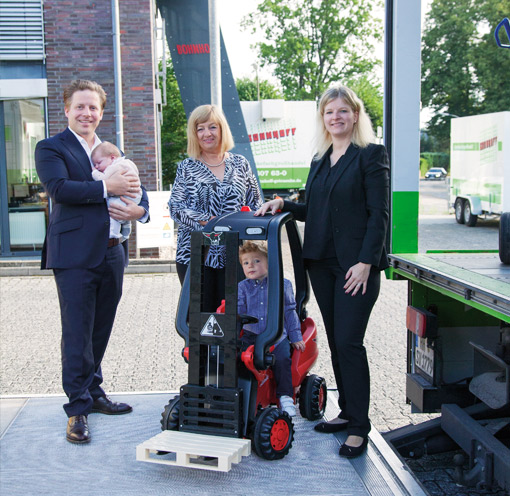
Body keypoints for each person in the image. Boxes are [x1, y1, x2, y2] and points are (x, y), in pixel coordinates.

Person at [256, 84, 389, 458]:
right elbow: (311, 209)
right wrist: (284, 203)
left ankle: (360, 428)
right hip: (322, 265)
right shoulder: (320, 159)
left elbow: (379, 214)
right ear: (323, 119)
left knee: (349, 343)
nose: (336, 117)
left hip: (355, 268)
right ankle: (347, 413)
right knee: (335, 342)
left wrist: (366, 262)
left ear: (355, 115)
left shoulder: (371, 155)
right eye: (330, 112)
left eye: (343, 111)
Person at [35, 79, 150, 445]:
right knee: (77, 332)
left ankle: (94, 393)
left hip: (113, 250)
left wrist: (141, 210)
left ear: (101, 112)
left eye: (93, 108)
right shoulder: (51, 148)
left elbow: (137, 187)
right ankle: (77, 408)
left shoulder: (111, 151)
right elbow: (60, 190)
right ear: (66, 109)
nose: (87, 113)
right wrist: (106, 188)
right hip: (73, 256)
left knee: (100, 328)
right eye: (80, 106)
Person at [169, 104, 263, 310]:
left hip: (237, 254)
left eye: (212, 127)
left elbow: (256, 204)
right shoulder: (187, 167)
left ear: (222, 129)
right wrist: (209, 222)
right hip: (195, 254)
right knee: (199, 317)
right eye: (200, 128)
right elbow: (175, 207)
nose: (206, 133)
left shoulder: (240, 164)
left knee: (237, 314)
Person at [238, 241, 305, 417]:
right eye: (246, 263)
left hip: (276, 336)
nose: (250, 265)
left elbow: (290, 311)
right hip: (251, 335)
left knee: (282, 360)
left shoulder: (283, 284)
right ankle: (242, 394)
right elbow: (238, 311)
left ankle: (285, 397)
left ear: (270, 263)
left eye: (256, 261)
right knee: (238, 359)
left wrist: (295, 336)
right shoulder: (242, 287)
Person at [91, 141, 142, 241]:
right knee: (124, 215)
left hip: (123, 197)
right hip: (134, 197)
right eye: (95, 164)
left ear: (112, 158)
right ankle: (126, 230)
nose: (97, 166)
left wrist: (94, 172)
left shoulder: (114, 167)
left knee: (114, 213)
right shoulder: (128, 163)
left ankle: (113, 234)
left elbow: (103, 178)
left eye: (99, 163)